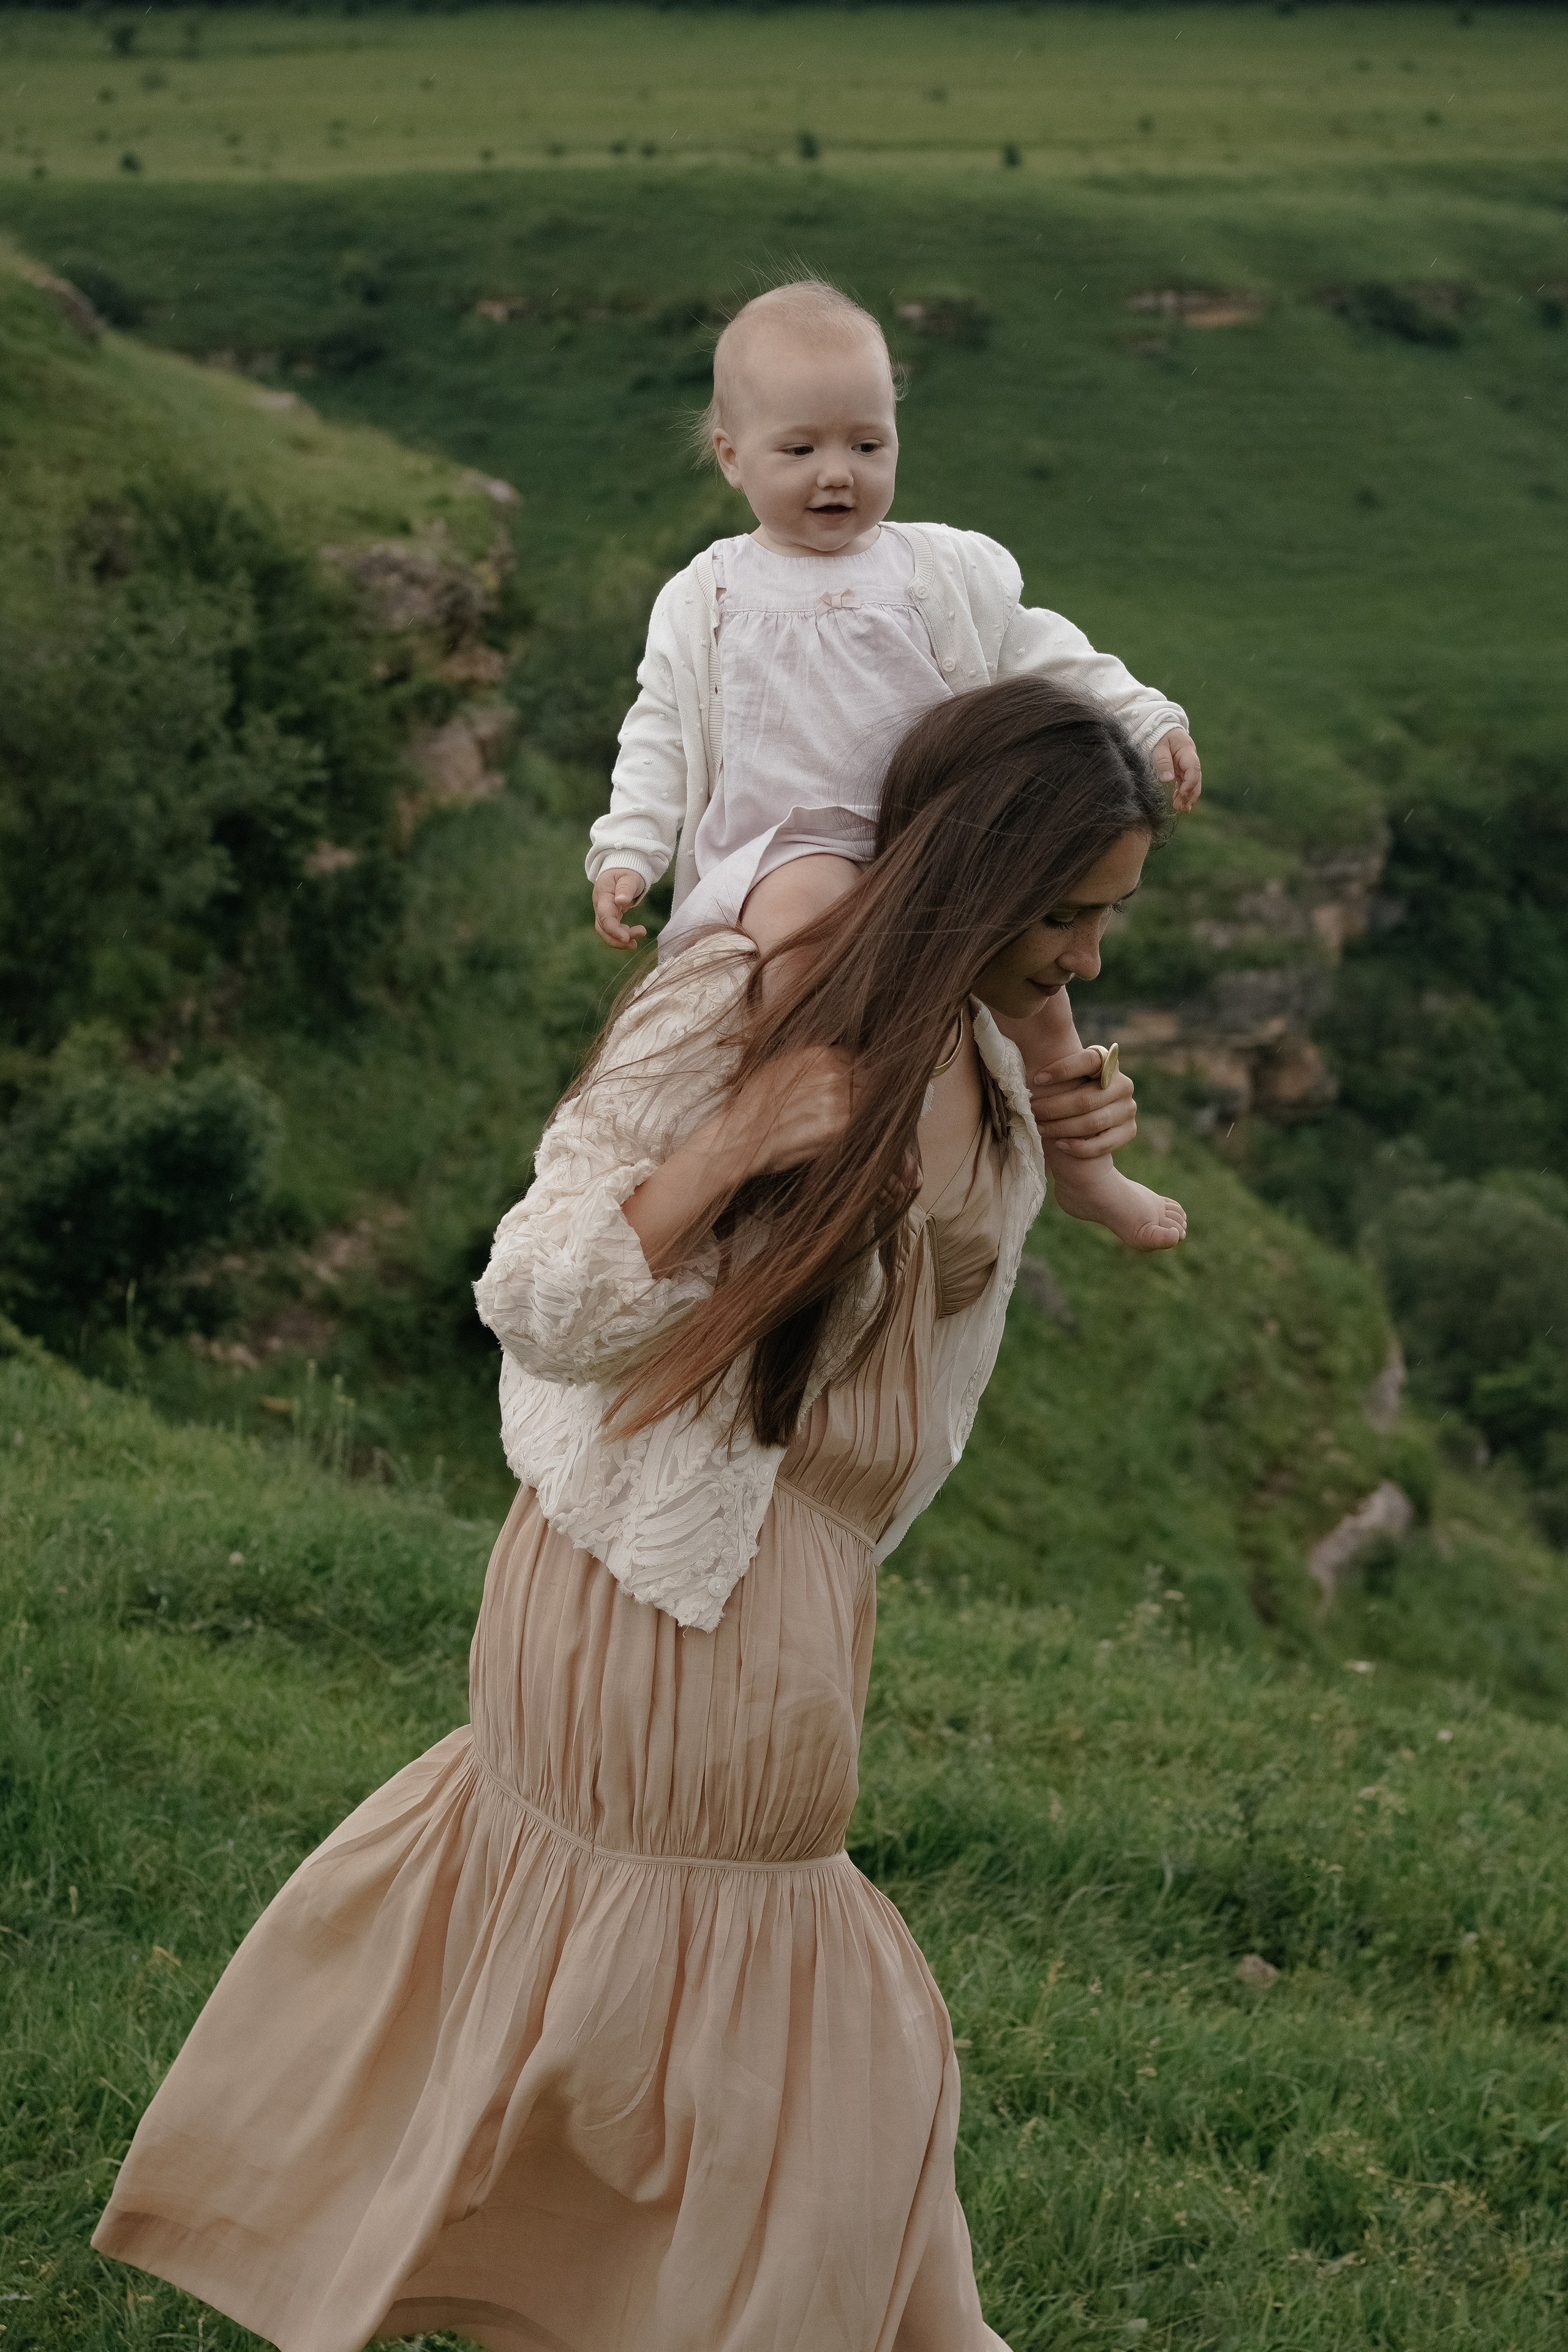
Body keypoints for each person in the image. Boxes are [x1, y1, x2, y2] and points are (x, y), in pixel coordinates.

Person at [93, 678, 1166, 2352]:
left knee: (688, 2054)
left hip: (759, 1602)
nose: (1090, 959)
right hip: (676, 1609)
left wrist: (1064, 1139)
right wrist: (732, 1142)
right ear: (978, 874)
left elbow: (933, 1298)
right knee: (821, 2074)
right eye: (1071, 916)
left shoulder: (972, 1050)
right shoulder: (748, 996)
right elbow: (536, 1292)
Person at [588, 275, 1196, 1254]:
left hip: (933, 841)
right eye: (801, 450)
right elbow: (658, 731)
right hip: (787, 853)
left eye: (866, 446)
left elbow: (1044, 652)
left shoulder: (936, 569)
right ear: (732, 459)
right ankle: (850, 1153)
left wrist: (1143, 713)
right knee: (799, 966)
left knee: (1047, 1010)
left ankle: (1086, 1169)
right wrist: (628, 851)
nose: (838, 474)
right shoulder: (707, 596)